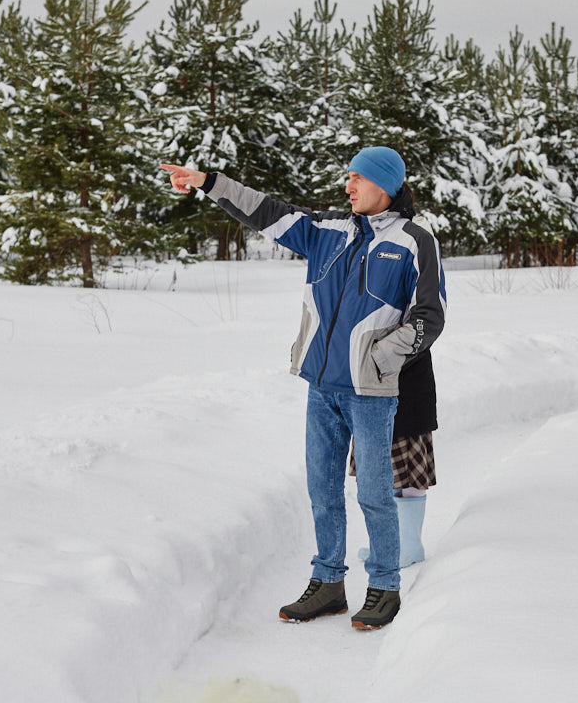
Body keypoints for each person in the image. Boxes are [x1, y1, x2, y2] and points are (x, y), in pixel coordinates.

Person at [162, 146, 446, 630]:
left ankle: (383, 586)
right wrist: (209, 182)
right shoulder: (326, 230)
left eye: (357, 178)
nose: (348, 186)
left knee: (376, 493)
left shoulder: (414, 240)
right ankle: (329, 583)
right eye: (348, 178)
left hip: (371, 392)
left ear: (386, 185)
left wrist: (380, 357)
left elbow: (429, 317)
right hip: (321, 386)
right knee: (322, 490)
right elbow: (265, 211)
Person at [351, 350, 437, 568]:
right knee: (378, 473)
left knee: (409, 475)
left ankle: (409, 546)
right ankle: (386, 544)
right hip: (372, 388)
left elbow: (423, 329)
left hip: (407, 390)